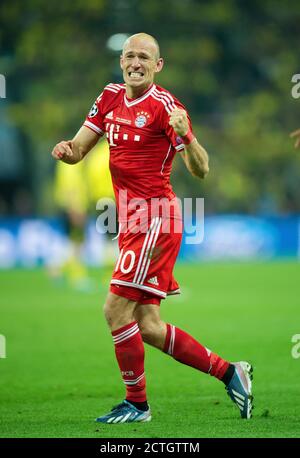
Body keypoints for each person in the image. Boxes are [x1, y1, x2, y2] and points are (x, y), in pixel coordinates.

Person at [51, 33, 253, 423]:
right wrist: (66, 150)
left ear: (158, 65)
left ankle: (137, 405)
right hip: (130, 221)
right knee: (147, 325)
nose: (135, 62)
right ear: (121, 62)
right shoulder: (108, 96)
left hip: (155, 219)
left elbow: (202, 169)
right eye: (129, 56)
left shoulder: (167, 108)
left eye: (144, 57)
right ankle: (232, 373)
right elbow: (78, 151)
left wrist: (186, 135)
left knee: (114, 309)